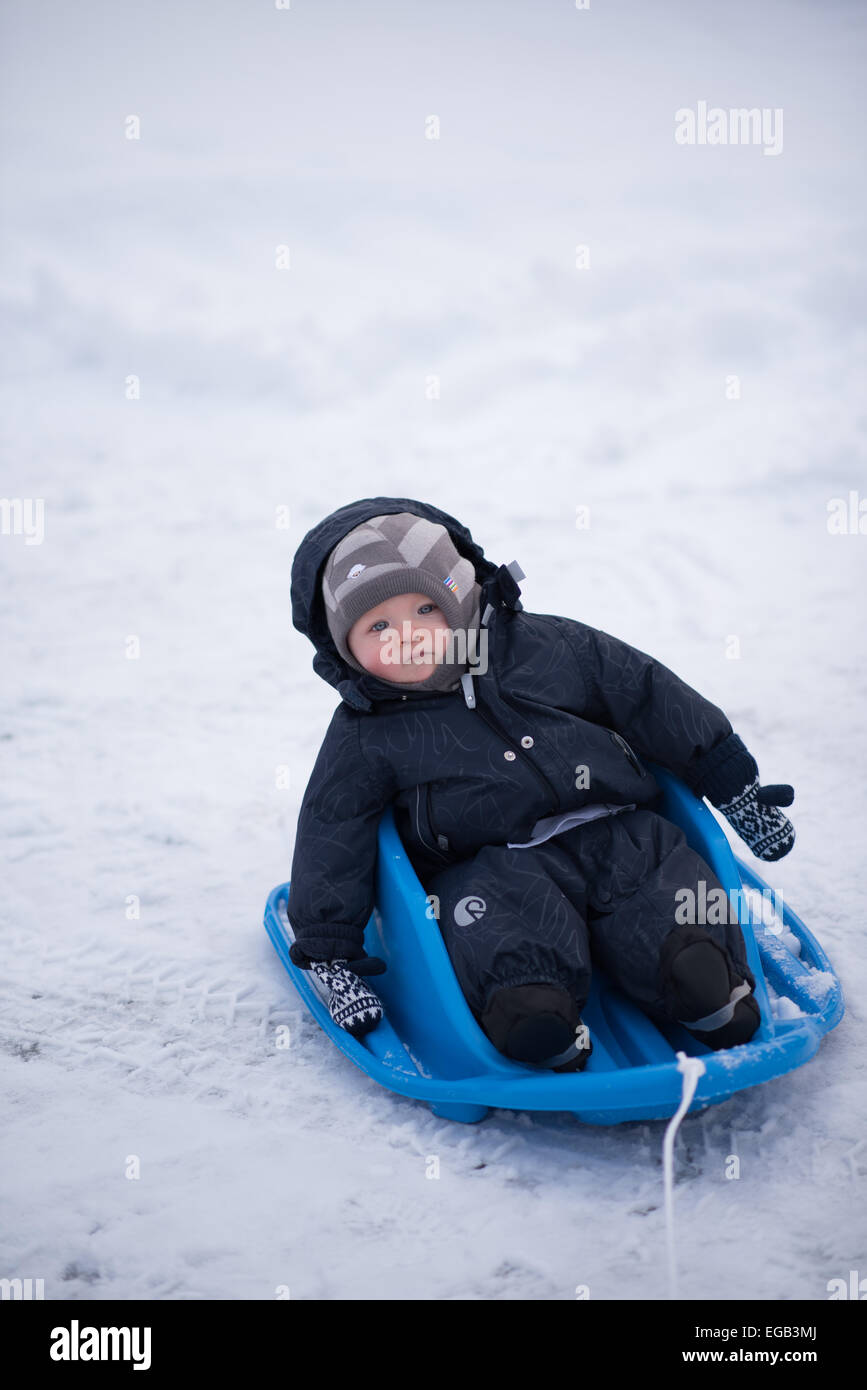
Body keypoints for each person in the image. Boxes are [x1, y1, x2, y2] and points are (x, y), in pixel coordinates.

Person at [285, 496, 795, 1072]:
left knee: (666, 889)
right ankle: (535, 1016)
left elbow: (650, 695)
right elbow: (334, 826)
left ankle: (702, 983)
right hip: (490, 866)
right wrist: (330, 949)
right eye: (378, 625)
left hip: (619, 829)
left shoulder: (554, 648)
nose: (407, 636)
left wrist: (733, 783)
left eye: (425, 608)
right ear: (342, 648)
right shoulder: (365, 732)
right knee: (495, 928)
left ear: (464, 596)